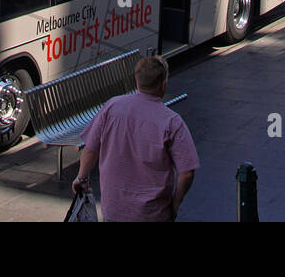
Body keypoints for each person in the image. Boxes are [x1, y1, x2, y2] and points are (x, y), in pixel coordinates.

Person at [72, 55, 199, 222]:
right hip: (152, 214)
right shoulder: (172, 122)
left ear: (137, 81)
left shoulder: (112, 107)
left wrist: (81, 178)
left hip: (114, 210)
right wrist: (175, 203)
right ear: (163, 85)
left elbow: (91, 149)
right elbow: (187, 173)